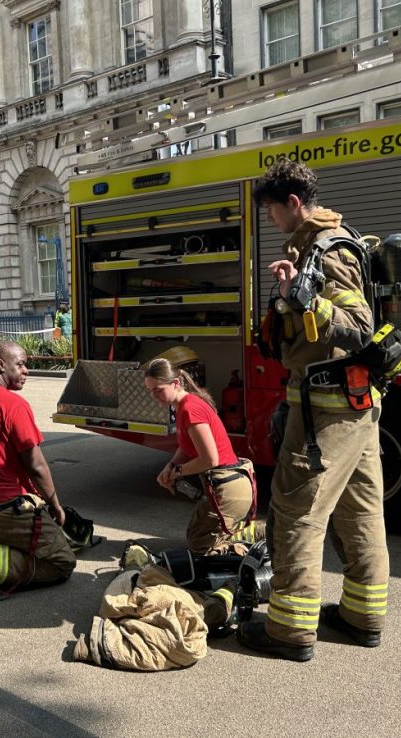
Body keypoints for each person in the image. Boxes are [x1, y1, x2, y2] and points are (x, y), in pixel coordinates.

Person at [236, 158, 387, 662]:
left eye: (273, 212)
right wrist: (289, 297)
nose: (272, 222)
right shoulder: (317, 247)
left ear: (294, 204)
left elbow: (358, 325)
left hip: (329, 409)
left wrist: (307, 300)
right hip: (353, 404)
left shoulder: (329, 248)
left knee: (298, 509)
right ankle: (362, 617)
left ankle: (289, 632)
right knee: (360, 512)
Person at [0, 340, 76, 595]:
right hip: (1, 510)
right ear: (0, 364)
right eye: (20, 364)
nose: (26, 371)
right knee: (63, 561)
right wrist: (55, 506)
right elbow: (36, 465)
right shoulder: (13, 405)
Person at [143, 358, 258, 555]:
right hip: (227, 486)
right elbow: (188, 448)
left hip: (228, 490)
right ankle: (241, 531)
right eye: (150, 391)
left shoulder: (189, 409)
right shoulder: (183, 405)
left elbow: (209, 460)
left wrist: (177, 472)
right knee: (195, 536)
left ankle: (258, 535)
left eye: (158, 390)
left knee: (200, 547)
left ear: (176, 383)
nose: (154, 396)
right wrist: (170, 466)